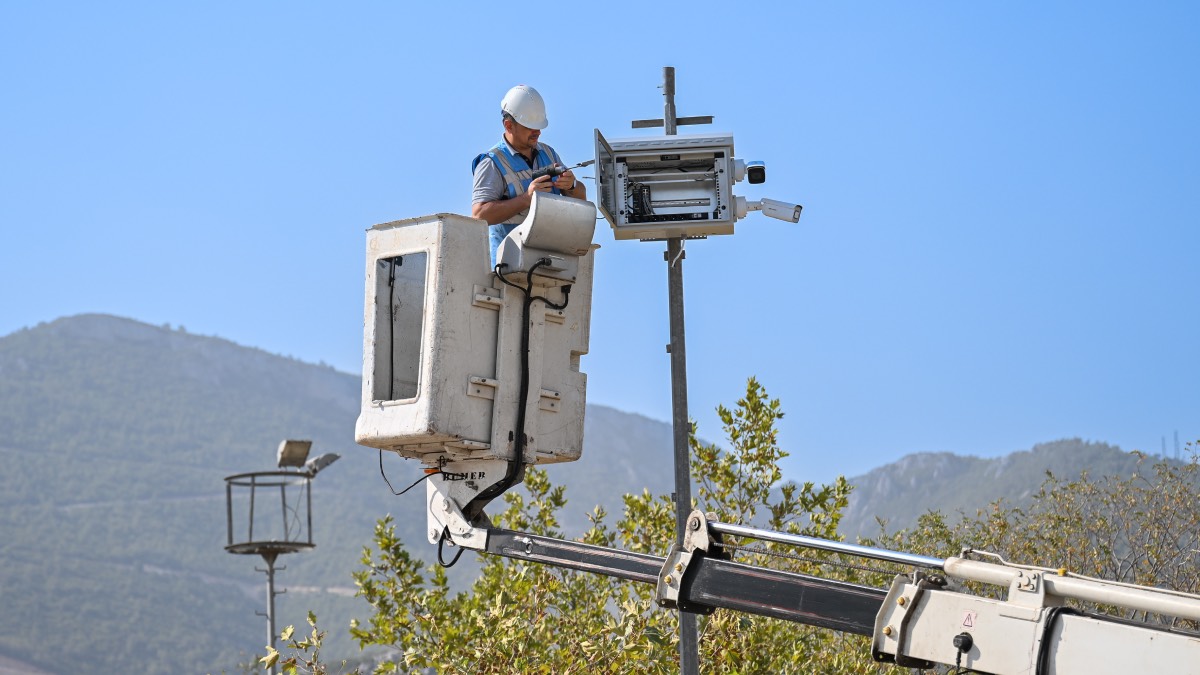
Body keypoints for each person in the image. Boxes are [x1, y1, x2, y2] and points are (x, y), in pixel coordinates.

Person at [471, 84, 587, 265]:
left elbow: (581, 199)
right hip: (508, 266)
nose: (538, 132)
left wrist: (571, 186)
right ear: (509, 125)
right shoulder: (492, 163)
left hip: (550, 262)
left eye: (539, 127)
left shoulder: (549, 154)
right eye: (530, 127)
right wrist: (526, 198)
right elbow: (479, 215)